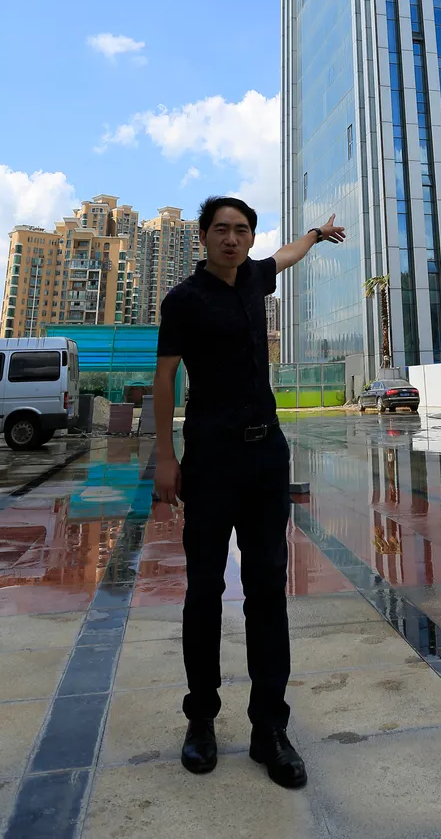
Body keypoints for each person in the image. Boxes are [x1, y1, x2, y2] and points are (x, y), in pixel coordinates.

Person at [152, 195, 345, 788]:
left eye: (241, 231)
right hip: (209, 459)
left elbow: (287, 256)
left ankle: (269, 729)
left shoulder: (256, 279)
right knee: (204, 590)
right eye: (221, 230)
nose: (231, 239)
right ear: (204, 238)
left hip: (266, 457)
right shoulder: (183, 300)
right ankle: (202, 721)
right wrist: (166, 456)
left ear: (249, 238)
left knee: (267, 590)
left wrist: (315, 233)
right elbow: (165, 378)